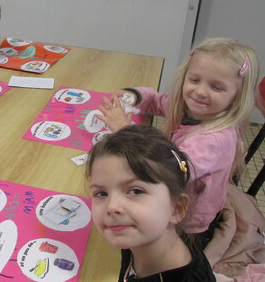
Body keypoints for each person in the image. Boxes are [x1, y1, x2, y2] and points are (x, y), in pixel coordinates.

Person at [96, 38, 260, 249]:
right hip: (170, 200)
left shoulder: (214, 140)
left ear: (237, 96)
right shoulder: (189, 106)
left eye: (216, 87)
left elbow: (168, 171)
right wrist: (135, 96)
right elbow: (156, 100)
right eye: (194, 80)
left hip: (187, 224)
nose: (200, 92)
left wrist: (125, 131)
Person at [87, 124, 216, 281]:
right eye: (101, 193)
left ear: (177, 208)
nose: (111, 207)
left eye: (136, 191)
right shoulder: (140, 236)